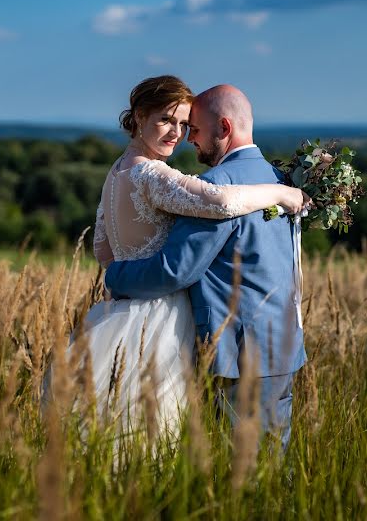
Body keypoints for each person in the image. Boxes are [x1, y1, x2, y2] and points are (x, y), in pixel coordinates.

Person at [77, 76, 305, 437]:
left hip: (129, 315)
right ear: (138, 117)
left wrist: (119, 277)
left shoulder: (118, 170)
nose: (178, 134)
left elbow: (102, 247)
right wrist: (280, 191)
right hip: (169, 321)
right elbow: (224, 202)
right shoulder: (154, 174)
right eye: (167, 120)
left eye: (185, 125)